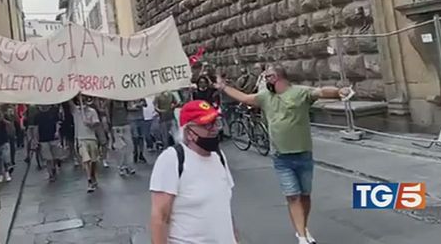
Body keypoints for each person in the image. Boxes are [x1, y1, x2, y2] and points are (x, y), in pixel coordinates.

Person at [215, 65, 350, 244]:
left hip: (303, 154)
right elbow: (245, 98)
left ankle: (303, 227)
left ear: (276, 77)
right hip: (281, 157)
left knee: (305, 196)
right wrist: (223, 87)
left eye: (267, 76)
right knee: (293, 196)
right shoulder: (265, 96)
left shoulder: (299, 92)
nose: (265, 80)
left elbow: (321, 92)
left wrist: (339, 92)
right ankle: (302, 236)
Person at [150, 100, 240, 244]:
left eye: (216, 123)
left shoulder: (219, 156)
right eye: (206, 125)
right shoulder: (172, 159)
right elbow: (159, 217)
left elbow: (224, 209)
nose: (214, 129)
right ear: (189, 132)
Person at [70, 96, 101, 193]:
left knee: (93, 161)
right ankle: (89, 180)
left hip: (92, 138)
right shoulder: (76, 111)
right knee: (86, 160)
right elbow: (69, 101)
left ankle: (93, 176)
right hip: (81, 139)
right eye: (81, 101)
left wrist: (90, 123)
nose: (83, 103)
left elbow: (97, 123)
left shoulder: (92, 111)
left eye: (85, 101)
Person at [35, 104, 63, 182]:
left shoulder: (53, 112)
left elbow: (57, 123)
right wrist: (36, 139)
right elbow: (36, 128)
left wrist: (57, 132)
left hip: (53, 138)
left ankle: (53, 168)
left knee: (55, 156)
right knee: (48, 158)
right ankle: (51, 174)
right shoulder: (37, 116)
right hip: (43, 139)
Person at [109, 100, 136, 176]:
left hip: (125, 125)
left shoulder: (125, 101)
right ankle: (121, 166)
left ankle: (129, 165)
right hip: (116, 126)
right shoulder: (111, 102)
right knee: (120, 148)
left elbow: (130, 108)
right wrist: (110, 126)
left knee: (129, 147)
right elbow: (108, 113)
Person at [0, 110, 12, 183]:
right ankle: (0, 175)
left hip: (5, 142)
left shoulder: (5, 123)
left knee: (5, 159)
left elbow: (9, 124)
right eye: (0, 116)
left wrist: (4, 120)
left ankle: (7, 174)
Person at [127, 99, 147, 164]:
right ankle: (135, 151)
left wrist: (141, 104)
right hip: (132, 119)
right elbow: (128, 108)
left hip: (141, 118)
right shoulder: (128, 98)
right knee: (135, 137)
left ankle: (141, 153)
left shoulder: (141, 97)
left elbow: (145, 104)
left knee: (141, 137)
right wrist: (137, 105)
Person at [94, 98, 111, 168]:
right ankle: (97, 156)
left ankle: (104, 159)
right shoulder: (94, 100)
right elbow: (100, 109)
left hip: (103, 122)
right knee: (97, 142)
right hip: (96, 122)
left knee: (104, 142)